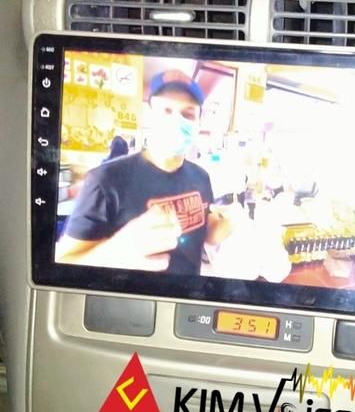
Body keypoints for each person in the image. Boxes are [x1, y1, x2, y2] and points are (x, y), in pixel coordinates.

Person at [55, 70, 231, 274]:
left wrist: (228, 225)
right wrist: (118, 252)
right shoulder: (105, 180)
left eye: (188, 114)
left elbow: (202, 232)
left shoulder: (201, 177)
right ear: (149, 116)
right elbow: (62, 264)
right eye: (166, 110)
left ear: (199, 124)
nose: (176, 120)